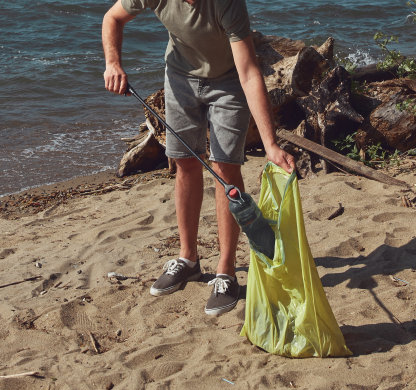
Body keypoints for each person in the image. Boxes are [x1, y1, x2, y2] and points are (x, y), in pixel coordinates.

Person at [102, 0, 295, 316]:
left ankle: (226, 271)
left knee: (225, 169)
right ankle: (188, 259)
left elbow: (248, 72)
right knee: (185, 163)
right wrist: (113, 63)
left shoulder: (227, 4)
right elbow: (113, 18)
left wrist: (271, 144)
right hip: (180, 77)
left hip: (229, 81)